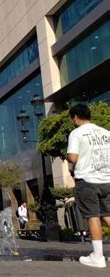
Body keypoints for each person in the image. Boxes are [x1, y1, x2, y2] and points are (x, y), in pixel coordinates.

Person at [67, 104, 110, 268]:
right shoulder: (106, 133)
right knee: (108, 215)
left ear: (75, 117)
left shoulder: (76, 133)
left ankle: (97, 257)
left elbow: (72, 157)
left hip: (88, 180)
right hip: (107, 179)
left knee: (93, 216)